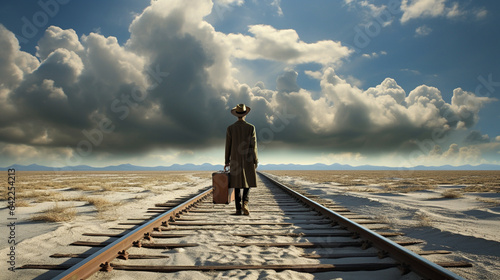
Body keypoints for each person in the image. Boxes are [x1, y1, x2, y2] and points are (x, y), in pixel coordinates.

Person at [224, 104, 258, 215]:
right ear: (245, 115)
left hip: (235, 158)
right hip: (248, 158)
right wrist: (255, 160)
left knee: (236, 183)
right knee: (248, 181)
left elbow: (228, 145)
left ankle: (238, 209)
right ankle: (245, 203)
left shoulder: (230, 128)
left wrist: (226, 161)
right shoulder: (251, 128)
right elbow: (254, 145)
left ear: (236, 115)